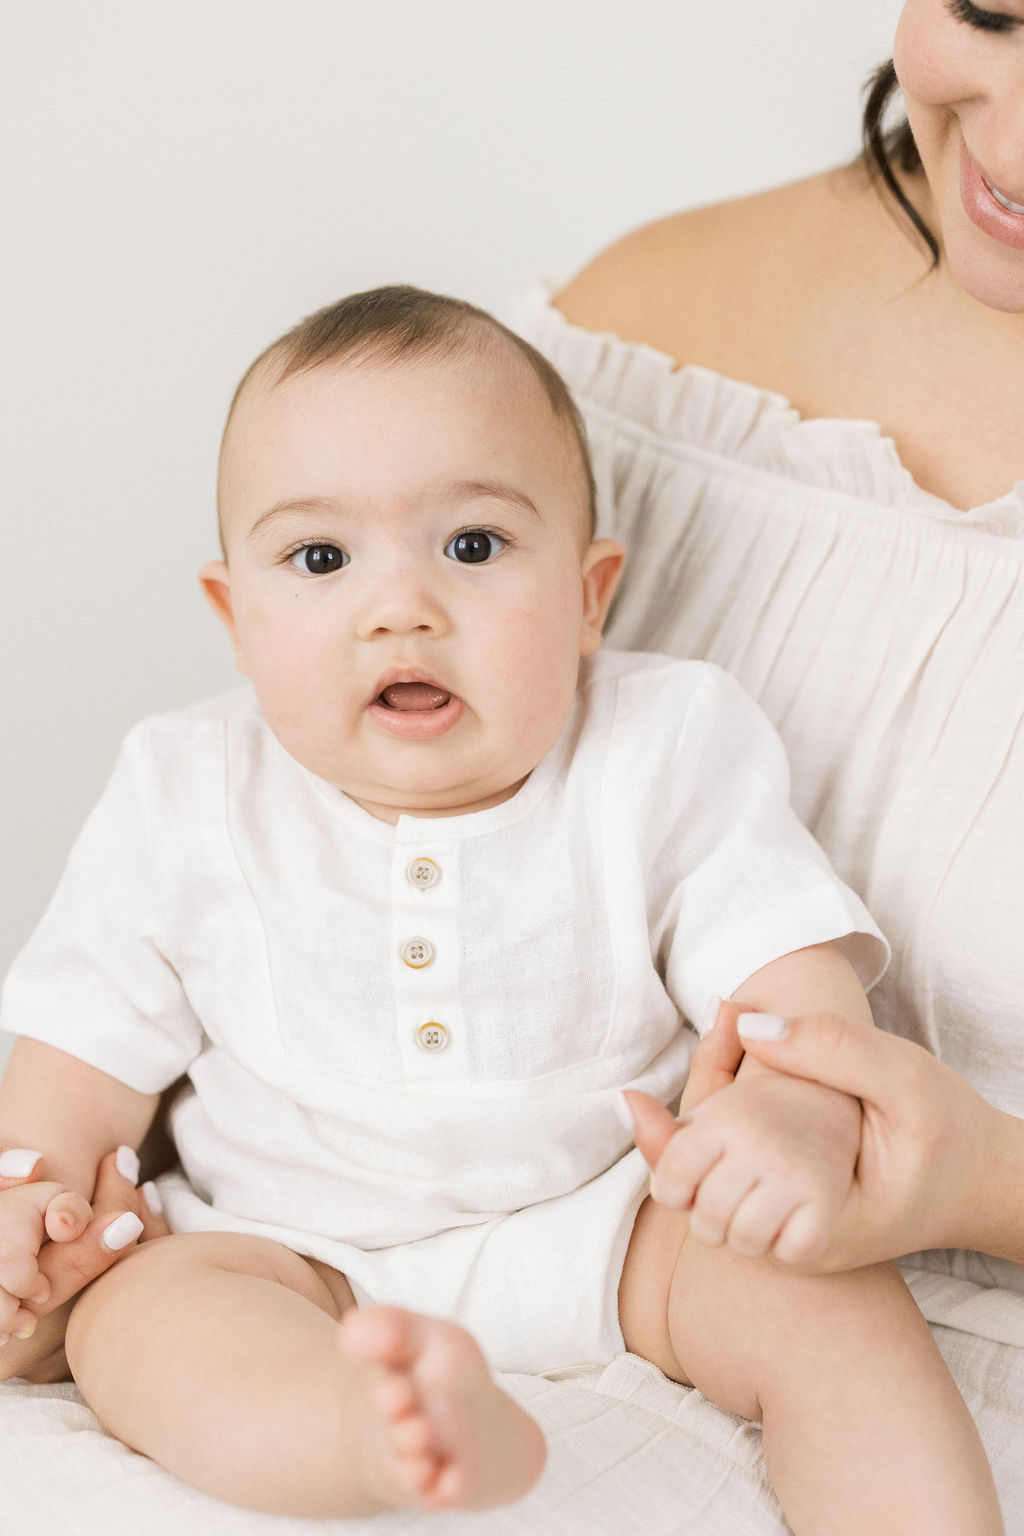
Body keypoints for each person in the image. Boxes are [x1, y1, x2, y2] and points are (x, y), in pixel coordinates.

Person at [0, 286, 1001, 1531]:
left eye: (472, 547)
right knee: (142, 1323)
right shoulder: (183, 786)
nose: (401, 606)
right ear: (237, 620)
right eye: (320, 560)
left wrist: (793, 1116)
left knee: (828, 1302)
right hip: (290, 1248)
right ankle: (373, 1435)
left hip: (620, 1226)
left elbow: (782, 973)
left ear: (590, 597)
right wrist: (30, 1206)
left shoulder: (665, 741)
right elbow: (81, 1053)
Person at [507, 0, 1024, 1296]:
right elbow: (307, 857)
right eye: (992, 17)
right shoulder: (632, 339)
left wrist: (981, 1185)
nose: (1013, 148)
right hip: (516, 1291)